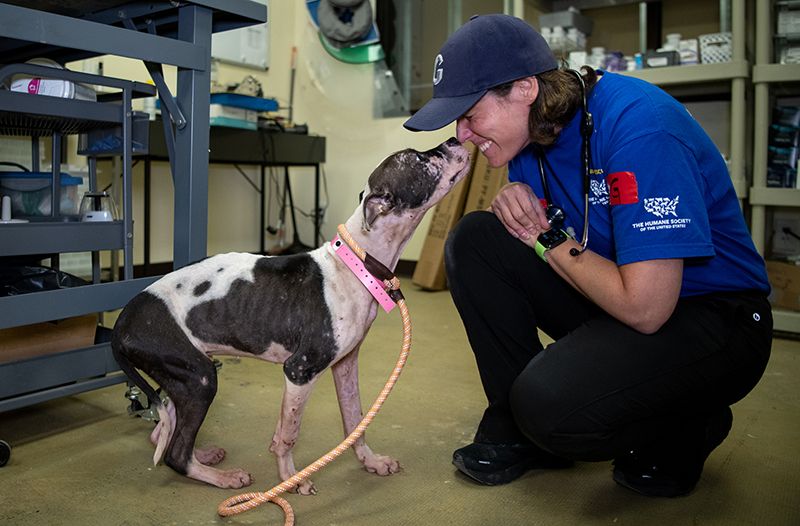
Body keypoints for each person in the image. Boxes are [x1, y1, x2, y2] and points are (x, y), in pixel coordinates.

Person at [404, 14, 773, 497]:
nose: (463, 134)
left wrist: (545, 236)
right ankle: (519, 431)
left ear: (524, 90)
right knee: (477, 239)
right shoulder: (531, 136)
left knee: (550, 406)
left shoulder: (640, 127)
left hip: (714, 318)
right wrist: (527, 219)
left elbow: (645, 308)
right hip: (618, 290)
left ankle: (688, 419)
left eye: (470, 115)